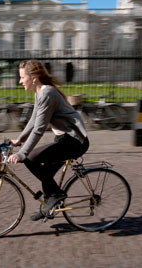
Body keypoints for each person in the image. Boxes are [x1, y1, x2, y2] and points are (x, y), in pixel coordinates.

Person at [8, 60, 89, 221]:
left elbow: (39, 128)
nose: (20, 81)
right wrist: (20, 139)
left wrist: (22, 153)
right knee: (46, 174)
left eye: (22, 77)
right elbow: (34, 119)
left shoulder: (47, 93)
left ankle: (57, 195)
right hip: (64, 139)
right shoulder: (40, 92)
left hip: (74, 142)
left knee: (31, 158)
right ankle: (49, 207)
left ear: (34, 78)